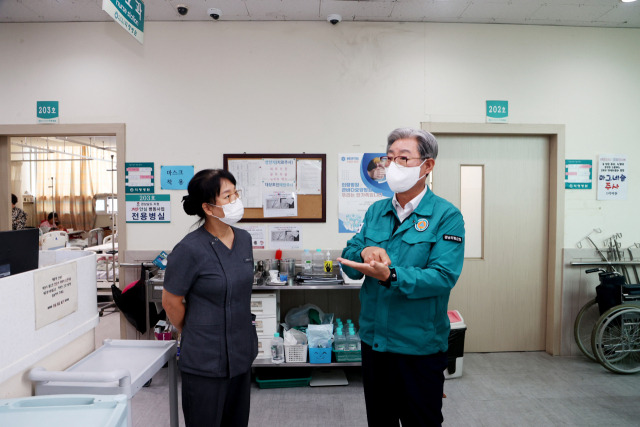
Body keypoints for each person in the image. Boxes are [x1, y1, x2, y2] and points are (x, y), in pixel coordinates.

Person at [338, 127, 465, 427]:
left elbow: (442, 276)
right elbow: (350, 255)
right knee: (380, 421)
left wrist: (391, 275)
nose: (393, 165)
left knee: (421, 422)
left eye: (404, 158)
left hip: (418, 347)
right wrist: (366, 251)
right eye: (390, 157)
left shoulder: (447, 216)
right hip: (375, 343)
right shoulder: (376, 211)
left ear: (427, 165)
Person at [162, 169, 258, 427]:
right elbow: (171, 302)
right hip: (204, 361)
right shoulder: (189, 249)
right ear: (208, 207)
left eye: (236, 193)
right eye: (227, 196)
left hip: (240, 354)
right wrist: (193, 329)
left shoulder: (244, 240)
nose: (236, 200)